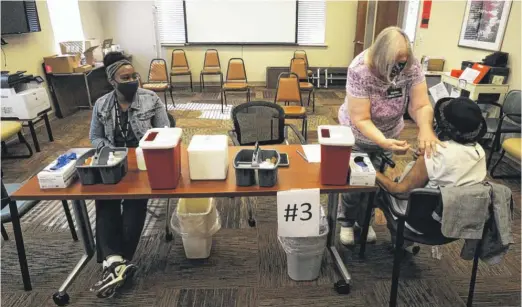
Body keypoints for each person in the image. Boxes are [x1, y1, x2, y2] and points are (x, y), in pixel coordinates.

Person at [337, 26, 443, 245]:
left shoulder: (410, 66)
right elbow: (361, 118)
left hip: (389, 133)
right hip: (357, 135)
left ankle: (364, 222)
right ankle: (347, 222)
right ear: (381, 56)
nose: (400, 68)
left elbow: (421, 104)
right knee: (355, 183)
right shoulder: (359, 70)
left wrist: (425, 128)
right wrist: (382, 141)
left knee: (376, 183)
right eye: (395, 63)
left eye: (403, 62)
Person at [89, 52, 171, 298]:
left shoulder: (150, 99)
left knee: (135, 204)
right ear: (113, 81)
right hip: (113, 163)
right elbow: (95, 136)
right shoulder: (102, 105)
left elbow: (166, 131)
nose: (132, 80)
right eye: (125, 77)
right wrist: (107, 149)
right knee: (105, 202)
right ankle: (118, 263)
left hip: (145, 163)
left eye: (134, 75)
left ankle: (115, 261)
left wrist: (148, 146)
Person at [376, 97, 487, 237]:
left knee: (378, 192)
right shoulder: (480, 152)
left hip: (422, 222)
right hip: (456, 221)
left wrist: (373, 172)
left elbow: (400, 192)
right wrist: (423, 160)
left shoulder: (436, 154)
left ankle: (396, 239)